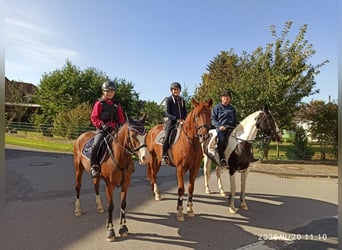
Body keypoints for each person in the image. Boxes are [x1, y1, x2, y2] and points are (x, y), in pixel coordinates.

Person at [89, 80, 125, 178]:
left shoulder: (117, 105)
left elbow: (121, 118)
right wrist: (102, 125)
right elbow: (94, 117)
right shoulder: (99, 104)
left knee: (125, 144)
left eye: (111, 91)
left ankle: (126, 165)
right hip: (102, 129)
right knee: (96, 145)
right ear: (103, 92)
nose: (109, 93)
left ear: (114, 93)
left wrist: (120, 124)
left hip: (114, 130)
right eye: (107, 91)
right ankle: (94, 166)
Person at [161, 82, 187, 164]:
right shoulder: (169, 100)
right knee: (167, 137)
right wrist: (176, 119)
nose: (175, 91)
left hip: (182, 122)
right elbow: (167, 113)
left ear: (180, 90)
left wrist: (184, 119)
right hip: (171, 122)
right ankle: (164, 155)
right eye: (174, 89)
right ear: (171, 91)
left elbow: (185, 112)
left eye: (177, 89)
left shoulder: (182, 100)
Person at [211, 90, 237, 166]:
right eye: (224, 98)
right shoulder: (216, 108)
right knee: (221, 139)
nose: (226, 99)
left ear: (230, 99)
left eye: (228, 98)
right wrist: (219, 126)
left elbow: (235, 120)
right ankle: (222, 157)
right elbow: (213, 120)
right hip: (221, 128)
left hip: (231, 128)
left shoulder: (232, 109)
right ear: (221, 98)